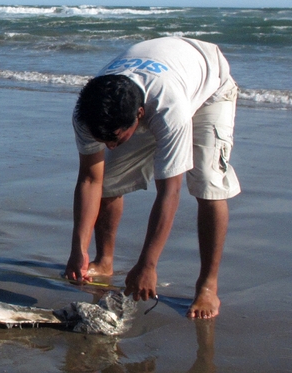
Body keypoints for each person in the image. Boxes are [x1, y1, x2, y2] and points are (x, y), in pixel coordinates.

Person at [64, 36, 240, 319]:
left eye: (116, 139)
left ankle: (208, 285)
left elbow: (170, 191)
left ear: (140, 116)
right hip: (160, 76)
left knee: (207, 184)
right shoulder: (87, 112)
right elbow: (89, 180)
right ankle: (103, 260)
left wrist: (148, 264)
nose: (110, 146)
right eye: (103, 139)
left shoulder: (171, 111)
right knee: (107, 181)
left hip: (210, 88)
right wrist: (77, 250)